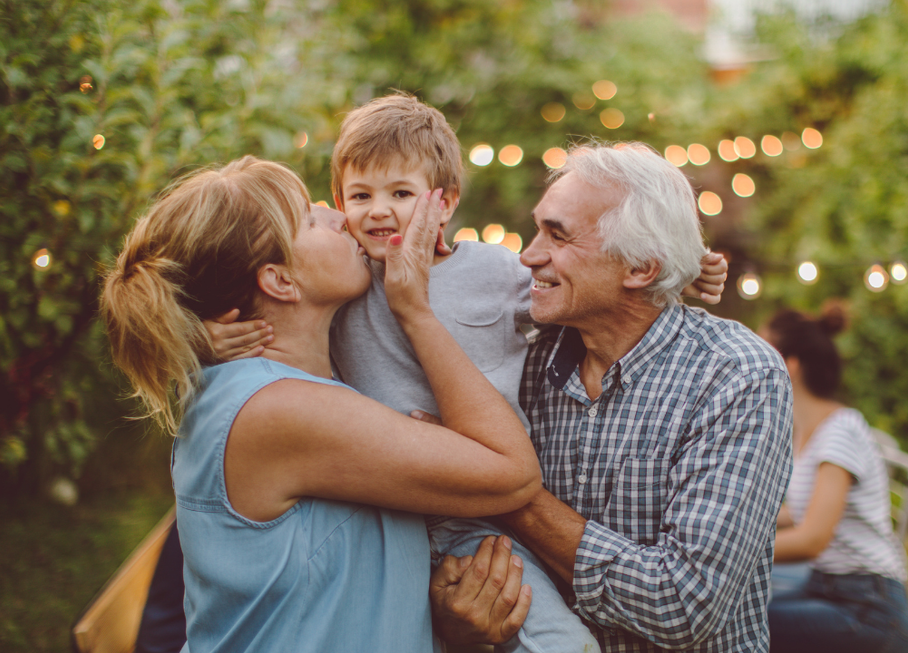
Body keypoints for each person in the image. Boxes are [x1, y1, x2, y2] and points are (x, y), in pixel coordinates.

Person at [205, 95, 728, 653]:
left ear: (444, 202)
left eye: (401, 194)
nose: (378, 211)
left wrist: (674, 269)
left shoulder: (492, 271)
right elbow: (261, 316)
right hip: (391, 501)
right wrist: (203, 336)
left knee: (561, 639)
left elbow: (583, 289)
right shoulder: (349, 283)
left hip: (480, 512)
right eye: (360, 197)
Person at [99, 156, 543, 653]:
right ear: (281, 282)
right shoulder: (278, 409)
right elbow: (513, 472)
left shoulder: (269, 389)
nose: (340, 216)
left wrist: (444, 626)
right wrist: (413, 309)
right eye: (310, 219)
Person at [429, 142, 794, 653]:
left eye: (557, 235)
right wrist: (461, 619)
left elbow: (682, 605)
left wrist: (498, 482)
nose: (528, 256)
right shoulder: (521, 359)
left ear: (641, 267)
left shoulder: (735, 376)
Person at [761, 307, 908, 653]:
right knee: (742, 610)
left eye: (759, 346)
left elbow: (812, 539)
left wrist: (729, 550)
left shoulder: (840, 430)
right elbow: (799, 512)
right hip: (829, 588)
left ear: (790, 365)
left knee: (739, 624)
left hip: (868, 608)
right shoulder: (807, 431)